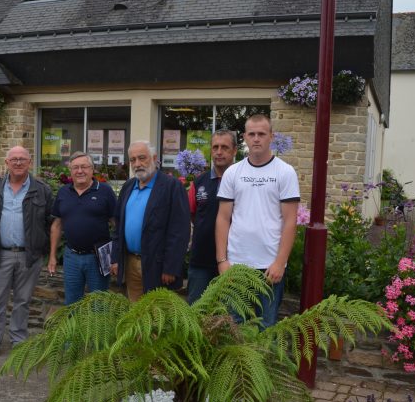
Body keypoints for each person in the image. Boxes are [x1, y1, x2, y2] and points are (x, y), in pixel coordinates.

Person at [215, 115, 300, 327]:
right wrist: (222, 261)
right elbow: (223, 218)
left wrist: (280, 263)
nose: (256, 139)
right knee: (234, 331)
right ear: (244, 137)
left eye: (261, 134)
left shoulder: (285, 172)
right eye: (251, 134)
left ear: (271, 136)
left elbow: (290, 222)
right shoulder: (233, 173)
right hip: (236, 267)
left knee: (266, 330)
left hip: (269, 269)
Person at [0, 146, 52, 359]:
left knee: (23, 300)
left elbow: (50, 222)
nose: (18, 163)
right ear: (6, 163)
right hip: (2, 254)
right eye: (14, 159)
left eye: (22, 159)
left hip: (29, 255)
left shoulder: (42, 189)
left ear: (29, 162)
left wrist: (42, 247)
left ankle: (19, 341)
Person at [110, 141, 190, 302]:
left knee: (157, 315)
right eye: (133, 160)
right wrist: (116, 258)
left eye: (142, 158)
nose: (137, 164)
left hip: (158, 265)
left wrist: (171, 267)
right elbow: (118, 225)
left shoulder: (171, 186)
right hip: (131, 262)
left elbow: (179, 231)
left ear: (154, 158)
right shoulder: (128, 186)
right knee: (136, 313)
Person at [47, 151, 117, 305]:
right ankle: (75, 331)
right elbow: (57, 225)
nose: (80, 171)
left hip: (99, 256)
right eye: (75, 168)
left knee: (98, 305)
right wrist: (52, 256)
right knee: (71, 304)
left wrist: (115, 257)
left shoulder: (105, 191)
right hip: (71, 256)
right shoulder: (63, 192)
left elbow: (116, 224)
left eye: (84, 167)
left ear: (92, 169)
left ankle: (96, 330)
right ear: (70, 171)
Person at [186, 129, 238, 304]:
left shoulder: (242, 181)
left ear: (235, 150)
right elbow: (192, 214)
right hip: (201, 260)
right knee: (196, 312)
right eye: (215, 147)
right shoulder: (199, 182)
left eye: (225, 147)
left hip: (233, 261)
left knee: (229, 318)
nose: (219, 152)